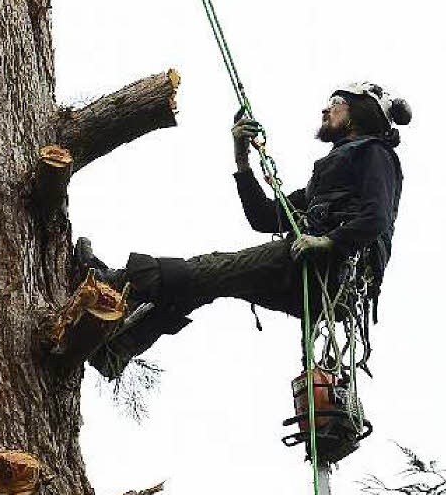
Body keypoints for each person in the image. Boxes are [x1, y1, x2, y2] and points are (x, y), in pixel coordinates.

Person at [78, 82, 412, 379]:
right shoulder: (328, 175)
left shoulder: (376, 155)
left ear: (361, 111)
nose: (326, 107)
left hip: (328, 271)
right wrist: (242, 160)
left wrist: (326, 241)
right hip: (310, 274)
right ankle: (115, 351)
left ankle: (111, 283)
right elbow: (264, 217)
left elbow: (376, 217)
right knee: (204, 285)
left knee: (206, 269)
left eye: (336, 100)